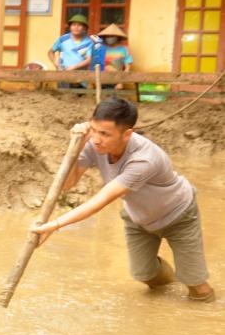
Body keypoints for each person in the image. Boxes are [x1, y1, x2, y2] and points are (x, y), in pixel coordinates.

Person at [32, 98, 215, 303]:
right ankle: (172, 283)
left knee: (196, 285)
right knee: (144, 275)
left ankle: (202, 300)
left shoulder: (144, 158)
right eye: (93, 130)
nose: (97, 139)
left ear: (127, 134)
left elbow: (103, 199)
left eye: (105, 134)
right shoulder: (93, 143)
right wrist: (75, 148)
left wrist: (55, 225)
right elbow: (67, 184)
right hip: (139, 216)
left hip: (178, 214)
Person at [98, 23, 133, 90]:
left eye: (112, 36)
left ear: (118, 37)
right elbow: (96, 66)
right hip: (101, 80)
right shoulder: (101, 49)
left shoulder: (124, 49)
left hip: (116, 81)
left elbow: (127, 69)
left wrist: (120, 82)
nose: (109, 38)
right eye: (107, 36)